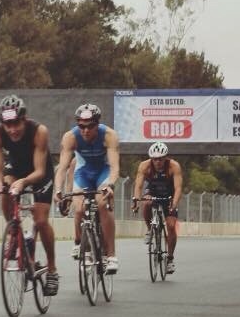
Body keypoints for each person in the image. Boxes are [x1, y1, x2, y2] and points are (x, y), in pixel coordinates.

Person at [0, 94, 58, 296]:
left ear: (24, 119)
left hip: (38, 171)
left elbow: (39, 172)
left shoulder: (39, 132)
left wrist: (24, 182)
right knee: (5, 191)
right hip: (15, 167)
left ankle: (52, 269)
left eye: (16, 123)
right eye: (7, 124)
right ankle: (15, 233)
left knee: (41, 220)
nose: (12, 129)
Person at [53, 103, 121, 274]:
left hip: (103, 172)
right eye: (81, 126)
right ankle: (82, 243)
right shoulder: (70, 137)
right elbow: (62, 168)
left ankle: (111, 255)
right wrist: (59, 190)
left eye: (90, 126)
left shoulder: (109, 135)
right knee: (79, 208)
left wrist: (110, 185)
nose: (85, 130)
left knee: (101, 204)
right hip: (83, 173)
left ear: (97, 124)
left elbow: (114, 167)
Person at [131, 141, 184, 273]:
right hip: (153, 191)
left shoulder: (174, 166)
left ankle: (170, 259)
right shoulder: (145, 166)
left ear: (166, 157)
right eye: (154, 159)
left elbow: (178, 188)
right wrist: (136, 200)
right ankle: (150, 229)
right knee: (147, 202)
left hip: (169, 195)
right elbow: (138, 186)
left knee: (171, 226)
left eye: (160, 159)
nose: (157, 162)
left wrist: (174, 204)